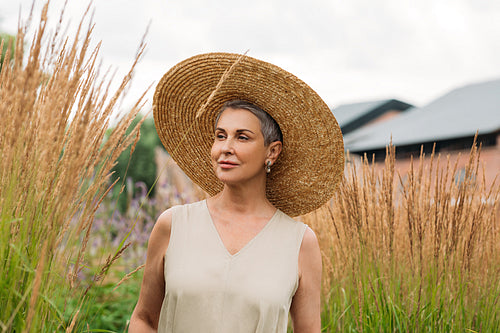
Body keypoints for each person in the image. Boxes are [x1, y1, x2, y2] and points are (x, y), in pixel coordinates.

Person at [129, 53, 344, 333]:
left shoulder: (299, 243)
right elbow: (144, 319)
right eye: (220, 135)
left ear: (272, 151)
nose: (225, 147)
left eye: (242, 137)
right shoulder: (173, 225)